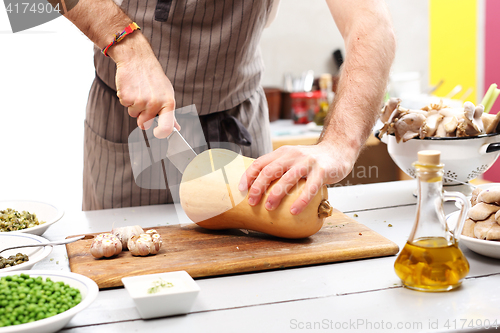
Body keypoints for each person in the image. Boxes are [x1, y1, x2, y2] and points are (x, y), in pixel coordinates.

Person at [63, 0, 395, 212]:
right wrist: (128, 47)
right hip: (135, 126)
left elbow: (371, 22)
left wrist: (339, 144)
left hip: (237, 126)